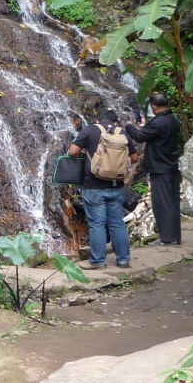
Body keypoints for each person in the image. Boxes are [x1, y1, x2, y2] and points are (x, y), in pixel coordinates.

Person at [68, 109, 138, 269]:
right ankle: (123, 260)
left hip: (94, 186)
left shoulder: (89, 130)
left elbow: (73, 152)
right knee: (117, 223)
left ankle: (98, 261)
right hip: (116, 185)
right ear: (116, 122)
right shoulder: (122, 133)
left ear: (98, 120)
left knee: (97, 224)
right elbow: (134, 158)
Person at [125, 92, 182, 245]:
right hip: (172, 165)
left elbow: (139, 137)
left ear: (154, 107)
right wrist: (145, 126)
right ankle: (175, 237)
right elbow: (154, 133)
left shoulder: (158, 122)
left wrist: (129, 127)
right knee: (172, 202)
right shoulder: (172, 119)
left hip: (160, 167)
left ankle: (167, 239)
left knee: (162, 204)